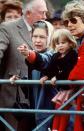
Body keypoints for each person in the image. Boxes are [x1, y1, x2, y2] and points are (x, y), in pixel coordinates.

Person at [0, 0, 48, 130]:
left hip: (41, 97)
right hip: (16, 99)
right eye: (42, 13)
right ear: (28, 13)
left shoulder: (46, 28)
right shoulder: (7, 27)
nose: (45, 16)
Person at [16, 20, 54, 131]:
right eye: (35, 36)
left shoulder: (53, 54)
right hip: (35, 111)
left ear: (49, 37)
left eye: (42, 37)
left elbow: (43, 62)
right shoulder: (34, 53)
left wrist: (29, 54)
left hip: (50, 112)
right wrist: (21, 81)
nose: (37, 40)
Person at [38, 28, 78, 131]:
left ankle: (61, 129)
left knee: (65, 111)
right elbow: (50, 68)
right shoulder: (56, 56)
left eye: (63, 43)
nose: (59, 45)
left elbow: (69, 69)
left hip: (73, 89)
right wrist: (46, 76)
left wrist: (58, 77)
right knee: (58, 109)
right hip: (62, 89)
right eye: (57, 43)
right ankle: (55, 129)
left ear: (70, 43)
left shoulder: (72, 54)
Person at [61, 0, 84, 131]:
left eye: (73, 21)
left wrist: (67, 81)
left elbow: (80, 73)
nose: (69, 25)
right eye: (67, 22)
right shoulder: (80, 40)